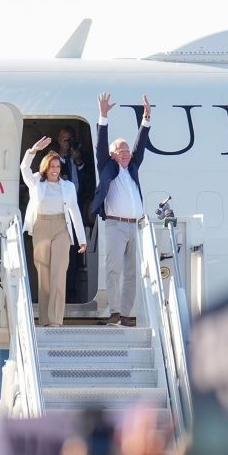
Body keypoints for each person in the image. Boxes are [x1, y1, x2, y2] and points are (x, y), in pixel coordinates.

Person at [89, 92, 151, 327]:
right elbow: (101, 145)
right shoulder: (107, 166)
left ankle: (126, 314)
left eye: (127, 151)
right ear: (113, 155)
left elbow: (140, 145)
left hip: (135, 225)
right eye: (121, 151)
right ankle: (114, 311)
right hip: (115, 225)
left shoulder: (132, 167)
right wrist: (103, 117)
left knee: (132, 273)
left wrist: (145, 119)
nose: (126, 154)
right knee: (114, 270)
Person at [21, 137, 87, 327]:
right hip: (41, 227)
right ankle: (44, 320)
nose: (55, 170)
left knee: (59, 274)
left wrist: (81, 239)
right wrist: (32, 151)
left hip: (61, 228)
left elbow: (75, 211)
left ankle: (56, 320)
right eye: (52, 166)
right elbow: (23, 169)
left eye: (58, 166)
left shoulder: (68, 186)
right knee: (44, 275)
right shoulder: (35, 182)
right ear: (45, 168)